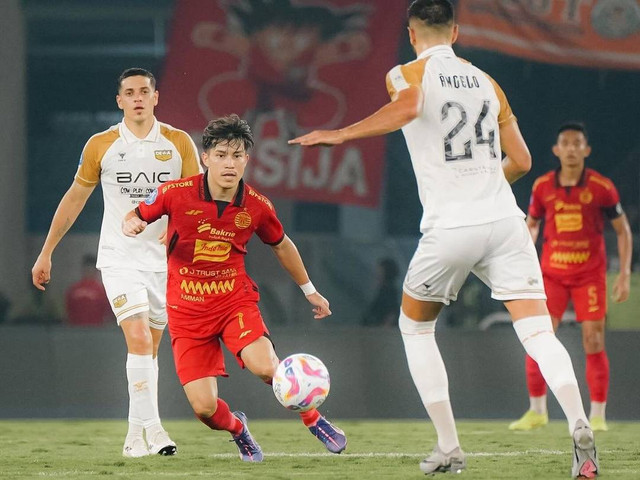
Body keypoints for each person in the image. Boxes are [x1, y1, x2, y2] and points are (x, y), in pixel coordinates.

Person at [289, 1, 599, 477]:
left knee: (415, 328)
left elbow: (410, 106)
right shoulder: (488, 82)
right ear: (455, 32)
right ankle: (579, 423)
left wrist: (342, 134)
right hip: (503, 220)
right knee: (537, 332)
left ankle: (449, 446)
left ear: (412, 35)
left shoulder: (404, 73)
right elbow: (522, 159)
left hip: (450, 227)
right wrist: (485, 185)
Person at [121, 114, 347, 462]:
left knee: (266, 367)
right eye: (222, 154)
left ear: (247, 160)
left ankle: (313, 419)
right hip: (186, 312)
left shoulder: (256, 205)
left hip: (232, 302)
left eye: (237, 155)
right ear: (205, 157)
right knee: (205, 408)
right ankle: (238, 429)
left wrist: (310, 290)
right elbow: (134, 214)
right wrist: (133, 223)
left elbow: (282, 245)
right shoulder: (174, 194)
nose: (229, 163)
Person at [31, 68, 201, 458]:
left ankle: (133, 436)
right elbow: (74, 198)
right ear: (119, 100)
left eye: (145, 91)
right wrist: (46, 251)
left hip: (164, 265)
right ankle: (156, 431)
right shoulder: (101, 145)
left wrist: (177, 226)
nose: (138, 97)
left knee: (148, 355)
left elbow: (196, 200)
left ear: (156, 97)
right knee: (138, 339)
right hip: (119, 259)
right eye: (130, 92)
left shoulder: (178, 142)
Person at [509, 123, 632, 433]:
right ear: (557, 150)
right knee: (538, 338)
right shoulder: (542, 187)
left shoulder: (602, 187)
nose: (572, 148)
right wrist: (525, 252)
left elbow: (623, 230)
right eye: (566, 142)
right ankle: (537, 410)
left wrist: (624, 274)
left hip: (589, 275)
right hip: (551, 274)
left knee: (593, 339)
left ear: (586, 150)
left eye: (578, 143)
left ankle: (598, 415)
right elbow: (532, 223)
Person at [65, 254, 114, 327]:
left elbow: (108, 313)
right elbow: (68, 311)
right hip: (77, 330)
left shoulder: (101, 290)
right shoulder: (74, 289)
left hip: (95, 329)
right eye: (87, 268)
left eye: (90, 268)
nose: (88, 271)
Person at [361, 257, 401, 327]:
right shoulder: (383, 290)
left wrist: (383, 329)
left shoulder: (389, 291)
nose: (377, 274)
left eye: (380, 271)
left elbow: (391, 313)